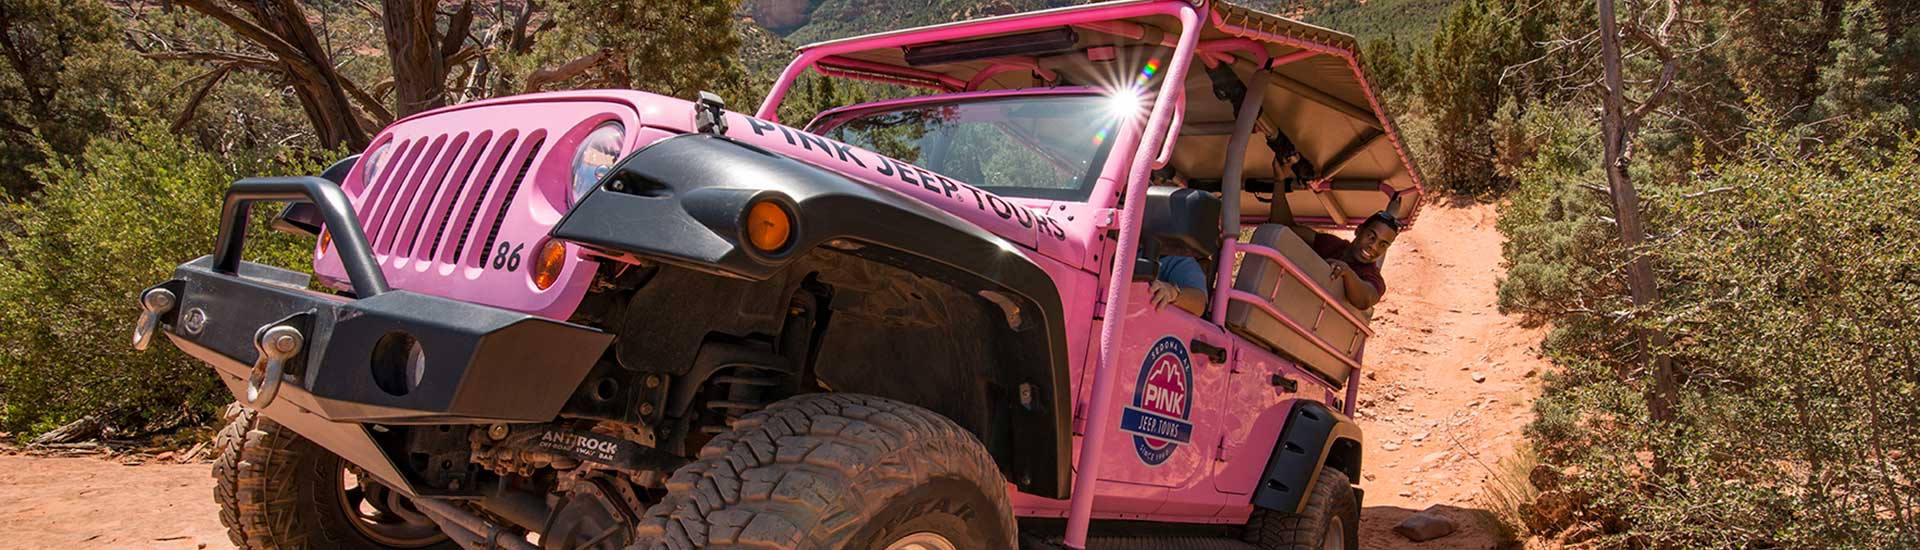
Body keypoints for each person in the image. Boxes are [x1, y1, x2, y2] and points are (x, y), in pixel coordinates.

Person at [1284, 211, 1399, 310]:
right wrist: (1278, 187)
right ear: (1358, 231)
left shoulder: (1373, 277)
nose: (1374, 247)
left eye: (1383, 245)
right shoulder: (1333, 245)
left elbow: (1365, 299)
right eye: (1371, 237)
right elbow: (1285, 228)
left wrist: (1347, 273)